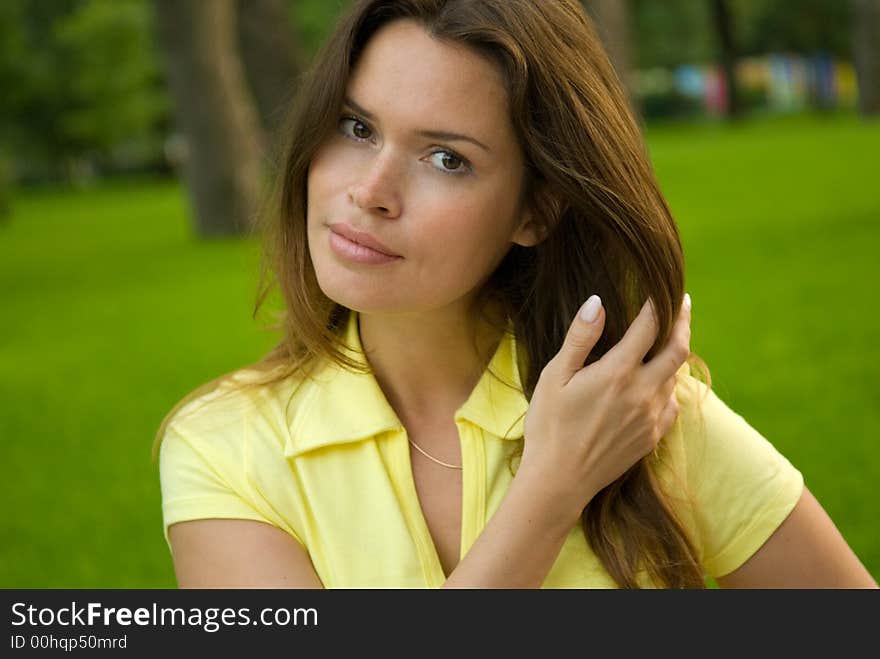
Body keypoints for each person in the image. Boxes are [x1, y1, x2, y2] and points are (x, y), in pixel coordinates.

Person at [154, 0, 877, 589]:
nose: (369, 191)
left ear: (537, 209)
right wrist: (552, 491)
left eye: (446, 158)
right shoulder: (224, 447)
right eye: (357, 126)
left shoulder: (633, 413)